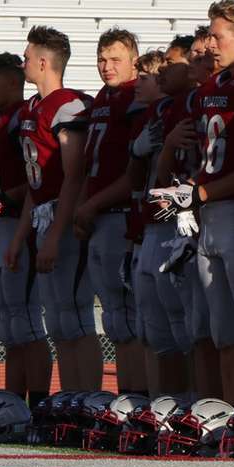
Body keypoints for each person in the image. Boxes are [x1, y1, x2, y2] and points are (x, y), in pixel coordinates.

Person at [148, 0, 234, 406]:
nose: (210, 44)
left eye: (218, 36)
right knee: (222, 329)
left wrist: (200, 192)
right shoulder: (210, 89)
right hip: (209, 217)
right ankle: (229, 413)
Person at [7, 26, 98, 391]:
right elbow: (36, 181)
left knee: (75, 318)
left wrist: (56, 235)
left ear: (44, 62)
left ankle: (86, 400)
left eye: (28, 57)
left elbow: (73, 176)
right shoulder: (34, 107)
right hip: (45, 214)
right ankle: (71, 399)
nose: (23, 62)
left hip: (65, 215)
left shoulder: (68, 104)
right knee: (59, 320)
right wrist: (20, 236)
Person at [76, 28, 146, 396]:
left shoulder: (136, 96)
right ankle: (128, 395)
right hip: (101, 214)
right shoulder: (104, 96)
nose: (106, 66)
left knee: (130, 314)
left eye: (115, 59)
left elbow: (132, 172)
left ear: (135, 60)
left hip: (122, 213)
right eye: (102, 59)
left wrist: (92, 204)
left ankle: (140, 397)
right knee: (115, 318)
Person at [0, 52, 50, 406]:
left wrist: (10, 197)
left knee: (26, 321)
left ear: (12, 81)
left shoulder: (22, 117)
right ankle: (13, 401)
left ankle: (35, 404)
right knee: (9, 325)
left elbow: (36, 179)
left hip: (19, 224)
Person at [127, 43, 193, 399]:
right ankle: (165, 405)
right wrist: (138, 151)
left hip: (181, 224)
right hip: (153, 223)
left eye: (170, 64)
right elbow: (140, 181)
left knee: (187, 326)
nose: (162, 72)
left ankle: (195, 403)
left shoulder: (195, 103)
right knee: (156, 327)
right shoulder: (161, 109)